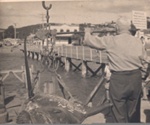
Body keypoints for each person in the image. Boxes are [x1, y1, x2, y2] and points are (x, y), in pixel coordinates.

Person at [83, 17, 149, 123]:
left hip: (119, 80)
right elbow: (146, 60)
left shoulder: (111, 40)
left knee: (119, 112)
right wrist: (143, 75)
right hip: (135, 79)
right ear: (129, 28)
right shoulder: (137, 42)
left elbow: (89, 41)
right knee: (134, 111)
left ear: (117, 28)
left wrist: (87, 32)